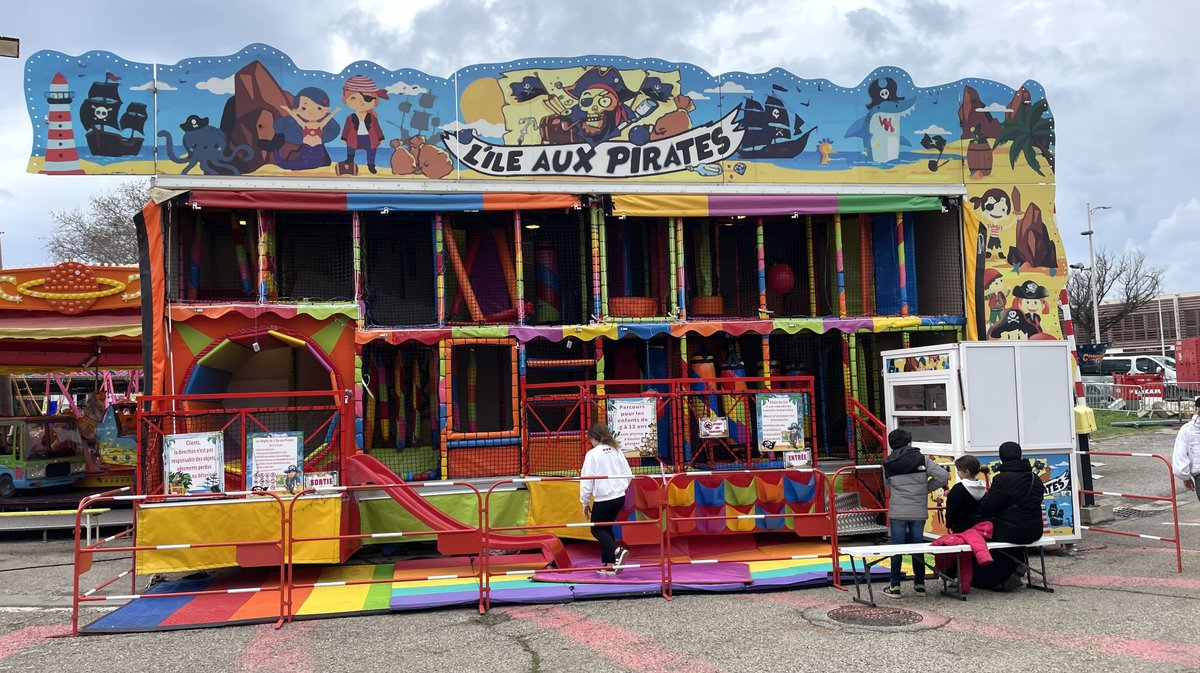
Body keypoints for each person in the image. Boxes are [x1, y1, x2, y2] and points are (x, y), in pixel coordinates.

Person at [881, 428, 949, 598]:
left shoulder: (888, 463)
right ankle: (920, 585)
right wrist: (924, 489)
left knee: (897, 547)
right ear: (909, 442)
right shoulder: (922, 459)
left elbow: (887, 487)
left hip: (898, 511)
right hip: (918, 510)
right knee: (917, 546)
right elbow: (943, 476)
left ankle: (895, 587)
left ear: (891, 445)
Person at [975, 440, 1046, 591]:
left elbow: (987, 509)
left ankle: (1000, 578)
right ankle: (1017, 568)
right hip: (1034, 530)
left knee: (980, 536)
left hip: (1010, 532)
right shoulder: (1035, 478)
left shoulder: (1002, 479)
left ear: (1002, 458)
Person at [580, 422, 634, 575]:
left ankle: (617, 551)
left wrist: (584, 501)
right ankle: (609, 563)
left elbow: (587, 479)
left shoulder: (592, 454)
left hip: (604, 498)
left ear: (594, 438)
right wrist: (621, 487)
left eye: (590, 439)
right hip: (619, 497)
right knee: (606, 527)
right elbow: (628, 473)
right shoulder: (616, 450)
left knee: (596, 529)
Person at [945, 455, 989, 535]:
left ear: (966, 472)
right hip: (982, 528)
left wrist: (949, 524)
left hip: (962, 528)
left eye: (958, 470)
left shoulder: (958, 489)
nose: (957, 472)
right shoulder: (985, 487)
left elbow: (951, 510)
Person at [1172, 398, 1200, 502]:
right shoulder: (1187, 429)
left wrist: (1185, 477)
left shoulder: (1186, 430)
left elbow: (1180, 456)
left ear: (1196, 409)